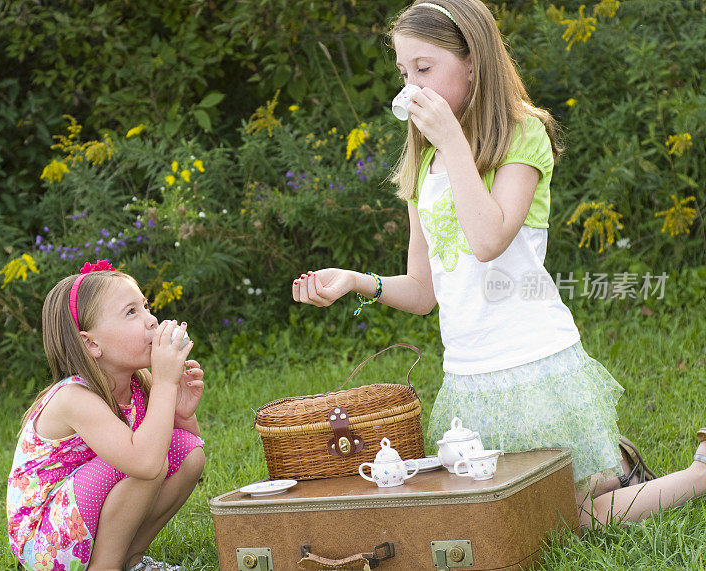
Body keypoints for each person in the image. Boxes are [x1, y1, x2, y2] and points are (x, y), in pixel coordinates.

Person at [292, 0, 706, 528]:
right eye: (403, 72)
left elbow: (488, 239)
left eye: (425, 69)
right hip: (470, 379)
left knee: (572, 521)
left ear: (474, 61)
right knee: (490, 522)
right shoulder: (424, 158)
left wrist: (451, 142)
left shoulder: (522, 134)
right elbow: (424, 290)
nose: (412, 86)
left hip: (534, 361)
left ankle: (694, 473)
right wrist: (356, 281)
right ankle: (614, 464)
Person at [7, 260, 205, 570]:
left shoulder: (138, 379)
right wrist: (166, 382)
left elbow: (186, 440)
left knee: (188, 452)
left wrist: (179, 408)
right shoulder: (73, 397)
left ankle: (130, 560)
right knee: (144, 466)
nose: (151, 320)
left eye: (145, 306)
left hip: (84, 512)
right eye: (131, 312)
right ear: (91, 343)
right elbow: (145, 461)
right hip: (46, 539)